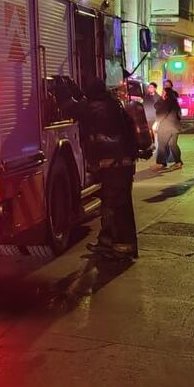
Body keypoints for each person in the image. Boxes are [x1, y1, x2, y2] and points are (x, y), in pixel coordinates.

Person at [60, 79, 139, 261]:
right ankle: (107, 243)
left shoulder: (98, 108)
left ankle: (123, 248)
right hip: (120, 165)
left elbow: (72, 109)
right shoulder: (109, 104)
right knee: (111, 206)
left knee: (118, 208)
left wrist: (61, 88)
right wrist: (75, 89)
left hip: (115, 166)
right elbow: (84, 104)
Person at [152, 85, 183, 171]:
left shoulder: (166, 102)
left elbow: (161, 112)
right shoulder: (174, 102)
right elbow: (179, 115)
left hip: (166, 127)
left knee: (162, 145)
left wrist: (157, 122)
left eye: (163, 92)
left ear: (166, 94)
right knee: (173, 144)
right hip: (175, 127)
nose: (162, 93)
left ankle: (161, 163)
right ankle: (178, 162)